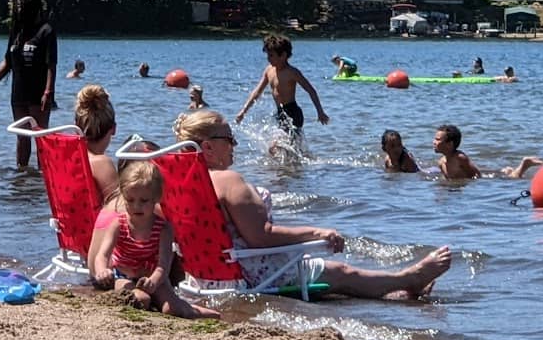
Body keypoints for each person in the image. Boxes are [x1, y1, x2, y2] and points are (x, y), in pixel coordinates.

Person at [175, 109, 450, 300]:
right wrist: (317, 232)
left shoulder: (177, 182)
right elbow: (261, 237)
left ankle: (398, 294)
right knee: (342, 272)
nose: (234, 144)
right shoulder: (227, 180)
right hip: (248, 275)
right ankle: (409, 278)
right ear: (207, 147)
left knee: (331, 279)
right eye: (228, 139)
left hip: (205, 276)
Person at [87, 160, 218, 320]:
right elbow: (102, 255)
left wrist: (153, 281)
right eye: (130, 200)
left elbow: (163, 265)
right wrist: (102, 270)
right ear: (123, 196)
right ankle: (153, 303)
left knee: (171, 309)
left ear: (156, 198)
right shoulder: (118, 224)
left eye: (143, 201)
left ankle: (195, 310)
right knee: (140, 299)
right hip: (123, 275)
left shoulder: (163, 229)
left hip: (153, 276)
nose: (136, 206)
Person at [0, 0, 58, 169]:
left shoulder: (46, 31)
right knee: (22, 137)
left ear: (32, 8)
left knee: (40, 137)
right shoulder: (17, 31)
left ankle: (43, 175)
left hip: (39, 94)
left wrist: (48, 92)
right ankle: (22, 175)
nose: (18, 11)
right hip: (19, 94)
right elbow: (7, 61)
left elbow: (51, 65)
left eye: (21, 7)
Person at [235, 33, 328, 135]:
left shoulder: (292, 72)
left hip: (293, 113)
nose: (268, 58)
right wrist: (243, 111)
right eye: (267, 55)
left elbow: (311, 91)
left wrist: (320, 112)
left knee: (280, 142)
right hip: (280, 113)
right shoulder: (269, 71)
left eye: (271, 55)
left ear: (283, 55)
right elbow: (257, 92)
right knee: (282, 143)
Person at [431, 124, 541, 181]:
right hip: (481, 175)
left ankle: (524, 164)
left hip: (485, 179)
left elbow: (477, 175)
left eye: (437, 139)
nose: (434, 142)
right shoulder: (441, 162)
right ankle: (505, 171)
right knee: (505, 174)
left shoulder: (460, 158)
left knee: (512, 179)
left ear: (450, 144)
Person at [75, 84, 120, 208]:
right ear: (114, 129)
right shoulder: (101, 164)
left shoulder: (66, 158)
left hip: (67, 220)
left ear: (77, 128)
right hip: (96, 221)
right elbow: (119, 208)